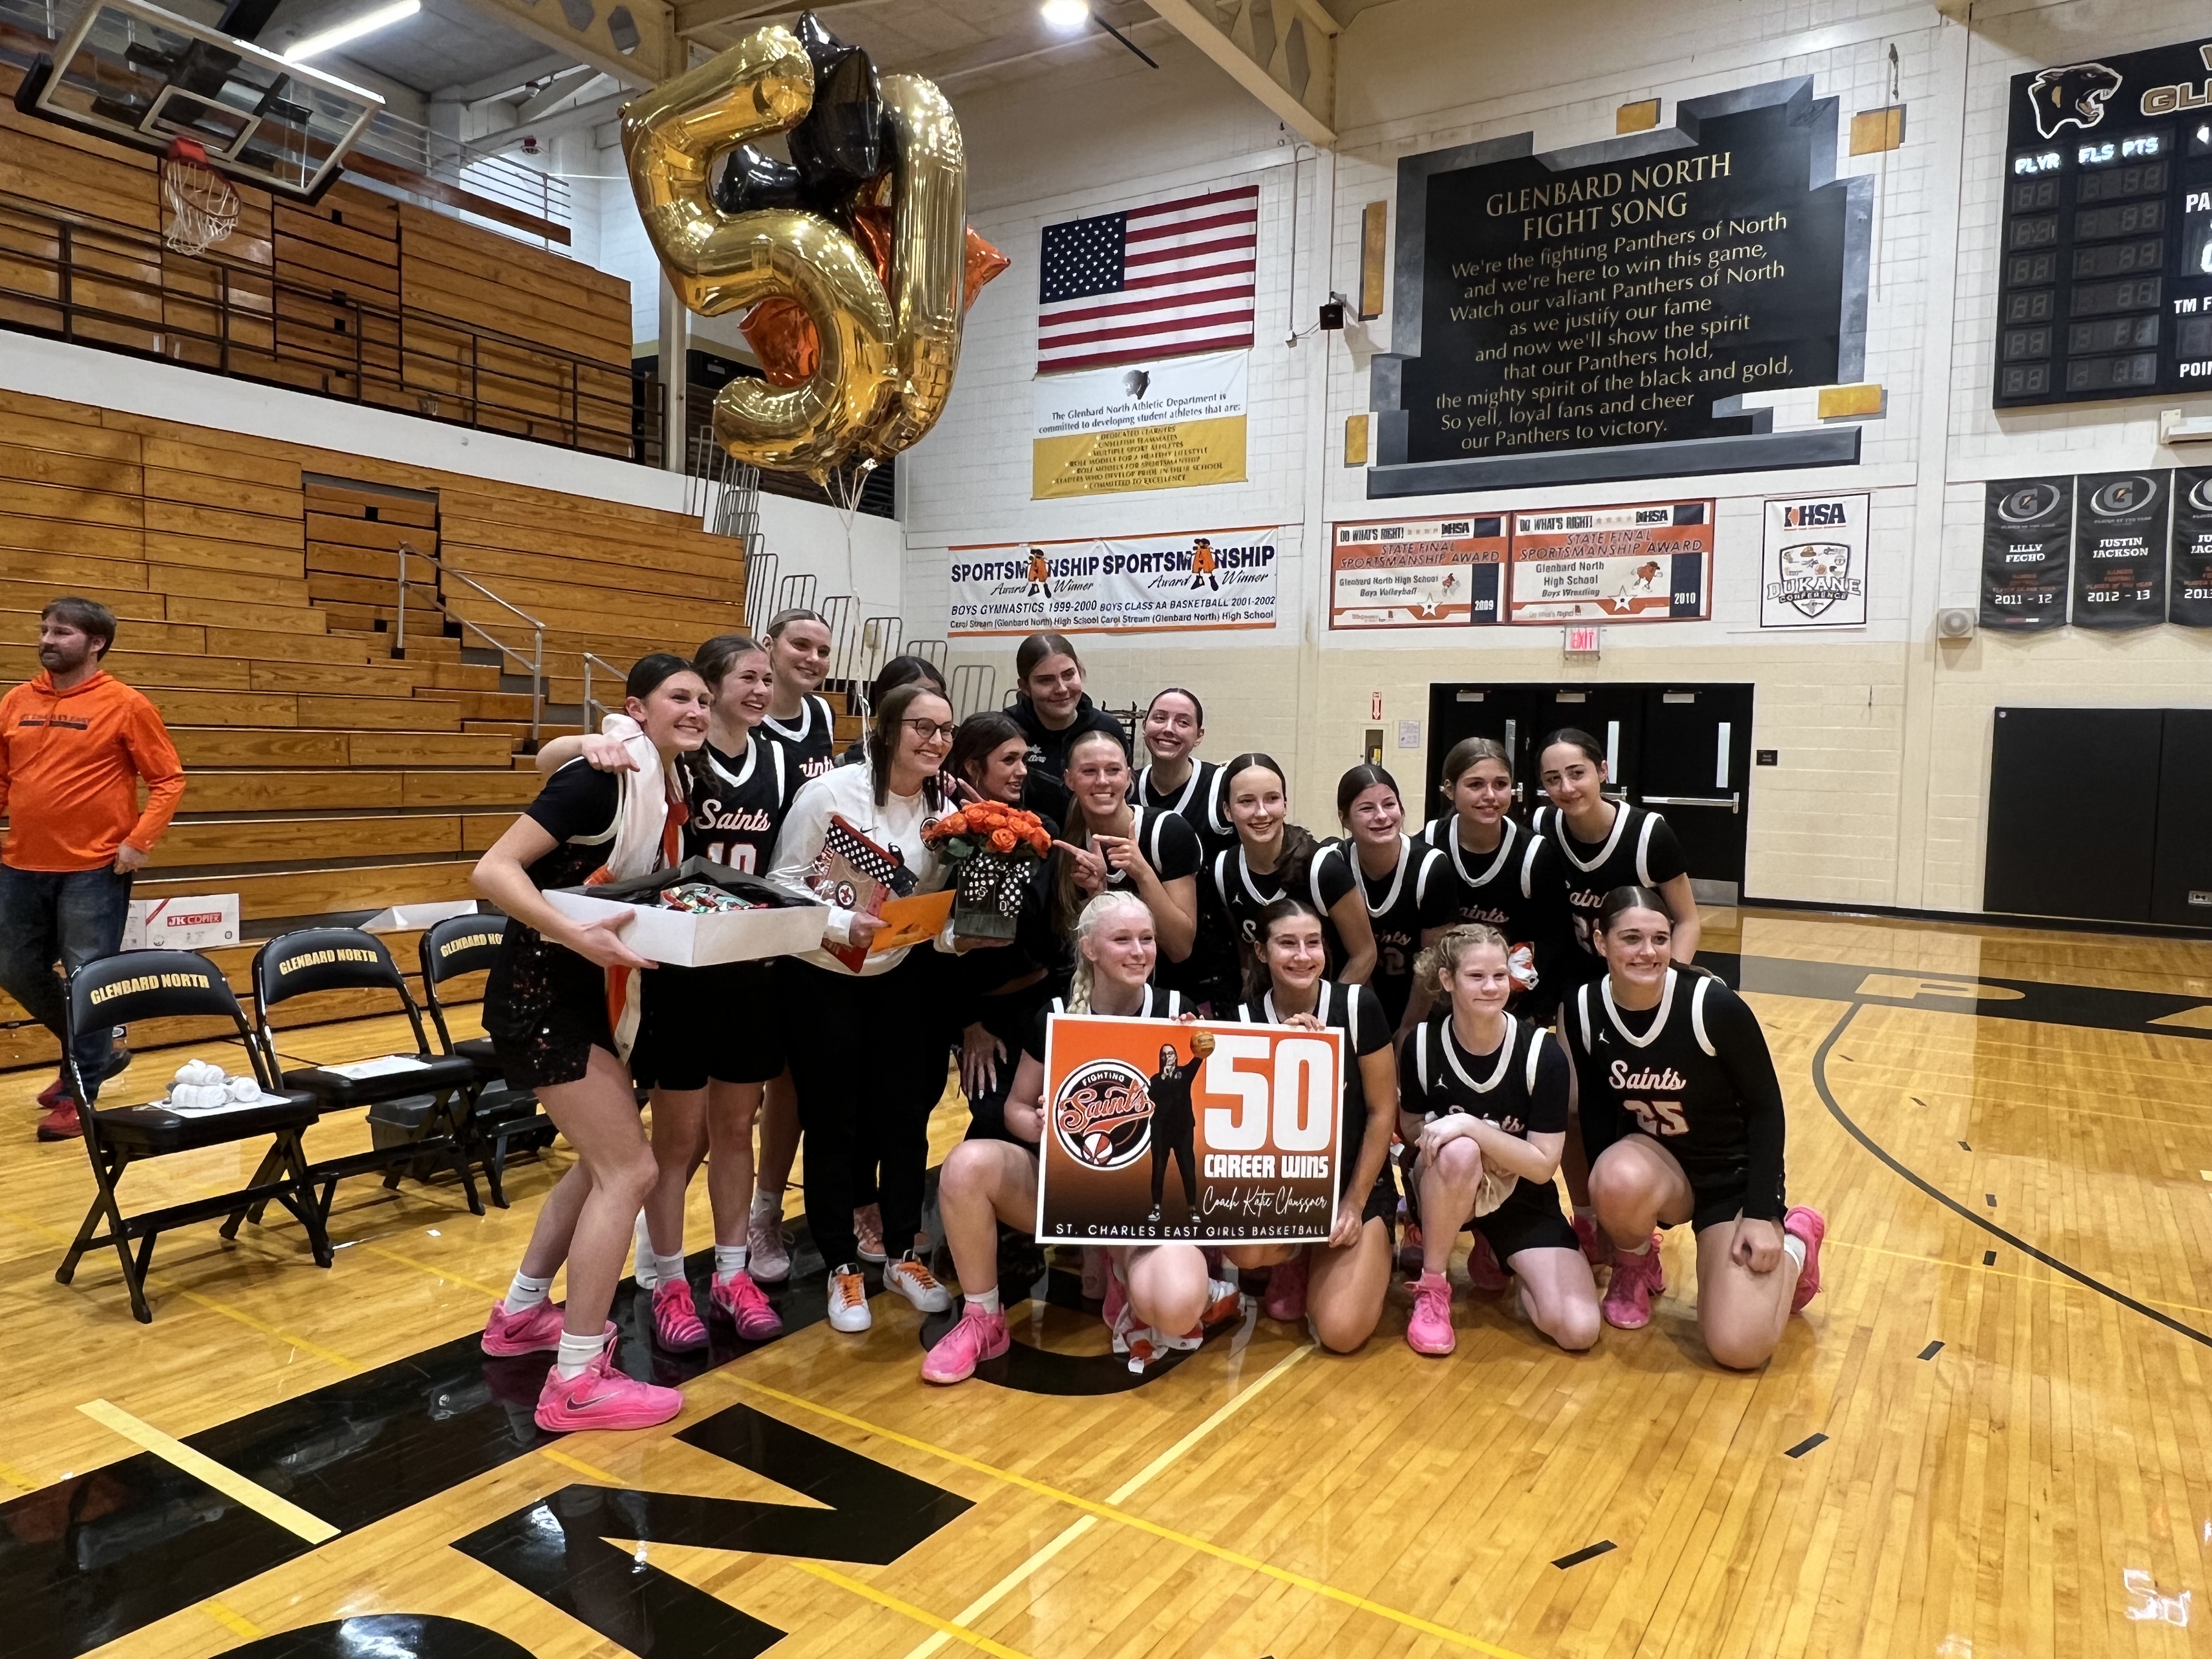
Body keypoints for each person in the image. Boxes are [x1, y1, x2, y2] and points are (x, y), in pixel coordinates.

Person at [532, 634, 794, 1350]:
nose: (758, 691)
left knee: (737, 1130)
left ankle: (733, 1274)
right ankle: (670, 1278)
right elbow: (553, 760)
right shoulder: (672, 754)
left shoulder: (781, 759)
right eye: (744, 677)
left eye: (765, 680)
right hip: (675, 977)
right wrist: (606, 732)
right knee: (678, 1140)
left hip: (749, 967)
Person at [472, 652, 707, 1431]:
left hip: (589, 997)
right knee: (631, 1169)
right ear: (637, 710)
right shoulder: (605, 775)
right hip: (542, 995)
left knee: (603, 1164)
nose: (698, 708)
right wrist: (573, 932)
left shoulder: (668, 782)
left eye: (704, 698)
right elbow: (494, 870)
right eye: (681, 696)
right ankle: (576, 1379)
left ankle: (522, 1316)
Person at [922, 892, 1226, 1384]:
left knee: (1174, 1307)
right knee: (965, 1165)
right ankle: (983, 1319)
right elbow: (1016, 1110)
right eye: (1122, 939)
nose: (1139, 951)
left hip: (1143, 1204)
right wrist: (1043, 1125)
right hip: (1071, 1192)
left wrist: (1207, 1052)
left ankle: (1134, 1270)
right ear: (1089, 949)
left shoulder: (1178, 1012)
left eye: (1147, 939)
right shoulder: (1057, 1015)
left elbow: (1213, 1116)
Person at [768, 682, 974, 1333]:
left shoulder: (946, 810)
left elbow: (928, 903)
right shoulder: (829, 795)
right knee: (835, 1120)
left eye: (945, 730)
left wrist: (953, 935)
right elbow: (779, 882)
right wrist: (836, 919)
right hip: (821, 976)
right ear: (886, 730)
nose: (936, 741)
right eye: (922, 727)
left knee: (905, 1118)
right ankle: (839, 1265)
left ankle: (903, 1253)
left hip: (899, 977)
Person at [1561, 886, 1825, 1367]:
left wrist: (1762, 1211)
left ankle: (1796, 1244)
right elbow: (1598, 1109)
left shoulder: (1712, 1007)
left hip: (1731, 1181)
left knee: (1739, 1349)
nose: (1648, 952)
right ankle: (1635, 1263)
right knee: (1615, 1176)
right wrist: (1606, 1211)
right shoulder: (1583, 1008)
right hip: (1657, 1169)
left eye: (1660, 939)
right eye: (1632, 939)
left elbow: (1767, 1110)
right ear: (1601, 942)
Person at [0, 597, 185, 1142]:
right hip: (21, 864)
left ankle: (81, 1089)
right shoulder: (16, 701)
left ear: (96, 643)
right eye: (45, 629)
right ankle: (100, 1051)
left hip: (95, 869)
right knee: (13, 967)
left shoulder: (126, 705)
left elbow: (169, 780)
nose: (47, 639)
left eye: (61, 632)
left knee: (87, 977)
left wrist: (138, 841)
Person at [1397, 924, 1599, 1357]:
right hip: (1447, 1181)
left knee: (1578, 1329)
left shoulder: (1542, 1054)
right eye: (1476, 977)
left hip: (1521, 1191)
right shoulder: (1421, 1045)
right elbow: (1412, 1128)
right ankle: (1433, 1288)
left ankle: (1499, 1253)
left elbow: (1544, 1165)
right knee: (1460, 1152)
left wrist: (1470, 1125)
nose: (1492, 987)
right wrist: (1455, 1140)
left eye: (1499, 975)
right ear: (1448, 980)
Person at [1537, 727, 1700, 1257]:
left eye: (1577, 772)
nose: (1566, 787)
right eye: (1552, 778)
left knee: (1635, 1103)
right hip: (1575, 990)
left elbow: (1688, 919)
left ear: (1603, 772)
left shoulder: (1649, 833)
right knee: (1569, 1106)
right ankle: (1586, 1217)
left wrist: (1662, 984)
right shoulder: (1541, 828)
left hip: (1638, 986)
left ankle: (1638, 1222)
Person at [1221, 897, 1397, 1351]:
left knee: (1341, 1333)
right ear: (1261, 951)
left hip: (1354, 1188)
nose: (1303, 955)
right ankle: (1297, 1254)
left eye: (1313, 943)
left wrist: (1355, 1204)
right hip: (1285, 1192)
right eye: (1287, 944)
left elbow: (1382, 1112)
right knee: (1243, 1251)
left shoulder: (1358, 1006)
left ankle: (1370, 1244)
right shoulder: (1242, 1020)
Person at [748, 605, 840, 1278]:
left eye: (822, 650)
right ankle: (674, 1241)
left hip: (804, 920)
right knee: (729, 1099)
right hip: (741, 913)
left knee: (790, 1088)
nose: (811, 659)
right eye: (800, 646)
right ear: (769, 646)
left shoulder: (823, 720)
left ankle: (765, 1215)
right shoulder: (742, 712)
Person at [1418, 737, 1569, 1020]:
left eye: (1501, 785)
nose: (1490, 795)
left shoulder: (1535, 854)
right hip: (1443, 998)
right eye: (1476, 785)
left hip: (1515, 1003)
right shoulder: (1427, 844)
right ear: (1449, 789)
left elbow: (1553, 941)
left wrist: (1503, 987)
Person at [1210, 752, 1376, 988]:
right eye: (1246, 801)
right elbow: (1247, 955)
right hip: (1273, 1013)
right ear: (1227, 810)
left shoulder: (1323, 868)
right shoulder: (1223, 870)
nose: (1261, 812)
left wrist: (1328, 1011)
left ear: (1285, 804)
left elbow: (1365, 954)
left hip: (1327, 1010)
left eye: (1272, 799)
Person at [1048, 727, 1200, 973]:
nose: (1102, 781)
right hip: (1102, 988)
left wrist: (1143, 873)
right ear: (1069, 779)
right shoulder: (1069, 841)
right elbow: (1088, 948)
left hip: (1167, 991)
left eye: (1113, 770)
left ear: (1129, 776)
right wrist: (1098, 891)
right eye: (1089, 771)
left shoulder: (1168, 831)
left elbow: (1180, 948)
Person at [1333, 763, 1452, 1032]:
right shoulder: (1334, 865)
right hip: (1356, 1003)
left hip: (1421, 1008)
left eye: (1389, 804)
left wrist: (1408, 1029)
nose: (1382, 816)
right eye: (1366, 809)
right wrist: (1372, 1026)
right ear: (1344, 819)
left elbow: (1432, 962)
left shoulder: (1431, 868)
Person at [1007, 631, 1124, 822]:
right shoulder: (1008, 731)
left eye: (1069, 675)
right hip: (1025, 846)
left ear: (1081, 672)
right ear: (1025, 687)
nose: (1061, 689)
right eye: (1046, 680)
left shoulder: (1107, 729)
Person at [1131, 687, 1233, 856]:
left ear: (1199, 736)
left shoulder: (1223, 785)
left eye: (1183, 722)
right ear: (1144, 725)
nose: (1169, 729)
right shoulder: (1127, 787)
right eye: (1160, 718)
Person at [837, 656, 948, 768]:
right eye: (922, 693)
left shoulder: (946, 749)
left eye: (937, 694)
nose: (933, 701)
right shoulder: (856, 761)